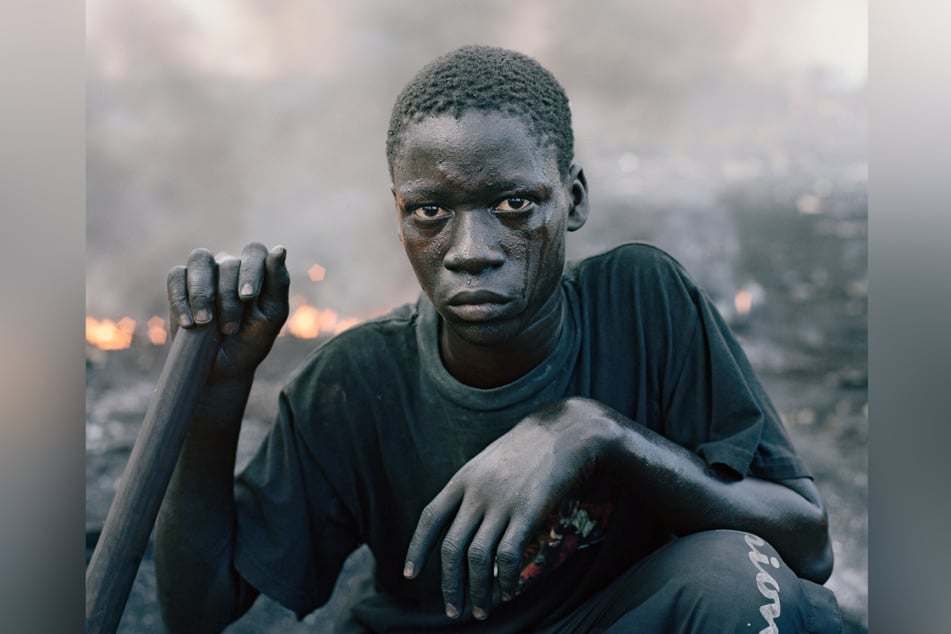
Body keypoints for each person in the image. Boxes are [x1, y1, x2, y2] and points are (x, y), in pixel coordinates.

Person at [155, 46, 842, 633]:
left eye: (513, 205)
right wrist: (216, 397)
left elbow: (803, 544)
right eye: (431, 212)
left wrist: (596, 433)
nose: (471, 250)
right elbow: (199, 611)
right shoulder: (354, 382)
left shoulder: (643, 302)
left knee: (740, 578)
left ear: (571, 201)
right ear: (399, 216)